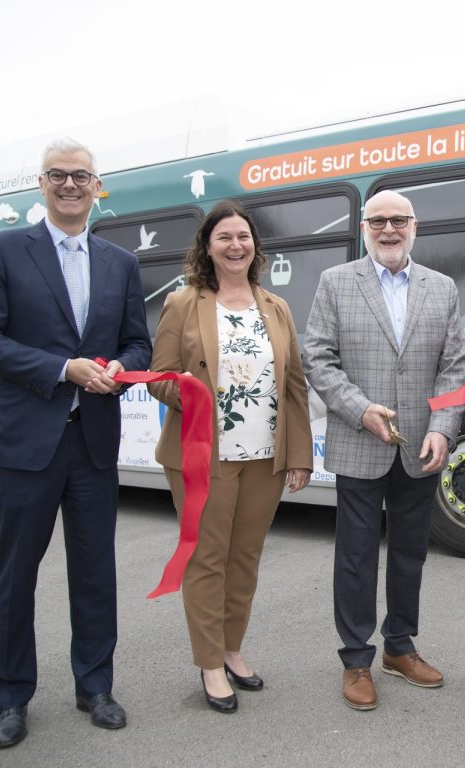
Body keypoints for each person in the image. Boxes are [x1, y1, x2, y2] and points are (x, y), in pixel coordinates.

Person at [0, 138, 152, 748]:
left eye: (82, 176)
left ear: (99, 187)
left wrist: (119, 369)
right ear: (41, 184)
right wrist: (61, 368)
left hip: (92, 442)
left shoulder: (119, 262)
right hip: (25, 443)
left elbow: (138, 345)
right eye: (58, 175)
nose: (70, 184)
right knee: (15, 574)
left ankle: (95, 685)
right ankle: (10, 698)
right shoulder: (2, 251)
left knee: (96, 572)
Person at [304, 190, 465, 711]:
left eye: (399, 220)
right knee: (355, 557)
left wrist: (443, 427)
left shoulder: (441, 288)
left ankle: (400, 647)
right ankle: (356, 659)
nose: (389, 229)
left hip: (419, 444)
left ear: (415, 226)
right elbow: (319, 359)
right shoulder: (336, 282)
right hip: (360, 439)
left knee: (409, 554)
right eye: (378, 221)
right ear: (364, 228)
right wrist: (360, 409)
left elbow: (454, 365)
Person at [147, 201, 313, 713]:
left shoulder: (275, 306)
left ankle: (233, 647)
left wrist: (300, 454)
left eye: (244, 236)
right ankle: (210, 662)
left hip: (264, 455)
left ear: (255, 246)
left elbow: (294, 385)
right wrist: (192, 395)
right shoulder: (185, 303)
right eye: (225, 237)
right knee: (207, 557)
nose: (236, 245)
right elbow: (160, 376)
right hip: (203, 456)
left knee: (245, 557)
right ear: (208, 247)